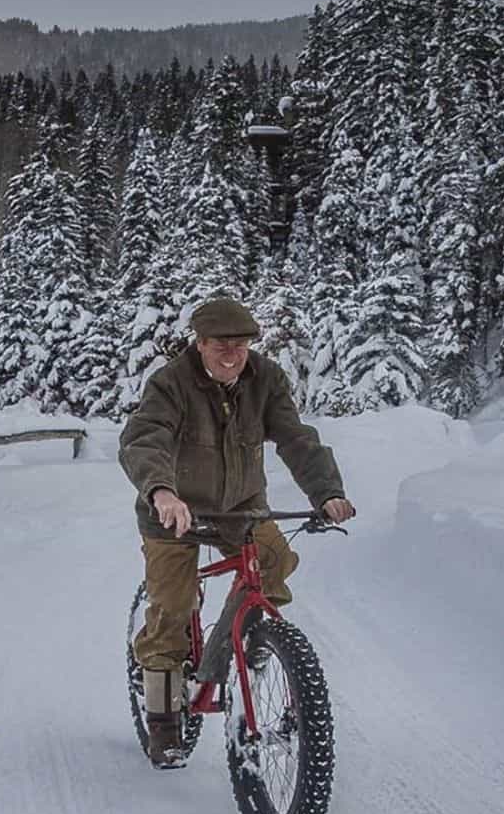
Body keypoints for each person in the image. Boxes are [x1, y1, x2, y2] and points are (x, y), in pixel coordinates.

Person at [118, 297, 356, 769]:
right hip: (174, 511)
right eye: (221, 345)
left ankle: (253, 642)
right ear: (200, 343)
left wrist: (327, 492)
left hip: (240, 507)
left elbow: (295, 438)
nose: (232, 355)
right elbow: (146, 439)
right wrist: (162, 492)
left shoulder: (265, 379)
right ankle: (163, 719)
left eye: (241, 345)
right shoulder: (171, 384)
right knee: (172, 606)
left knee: (274, 560)